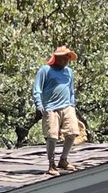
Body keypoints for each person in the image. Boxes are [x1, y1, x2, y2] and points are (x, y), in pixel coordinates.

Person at [32, 46, 80, 176]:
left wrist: (72, 103)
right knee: (52, 136)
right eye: (64, 57)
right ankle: (51, 164)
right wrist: (39, 104)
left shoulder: (69, 72)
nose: (67, 60)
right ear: (57, 58)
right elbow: (37, 88)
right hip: (51, 108)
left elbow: (71, 89)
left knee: (72, 132)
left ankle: (63, 159)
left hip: (67, 106)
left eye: (68, 58)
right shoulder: (45, 70)